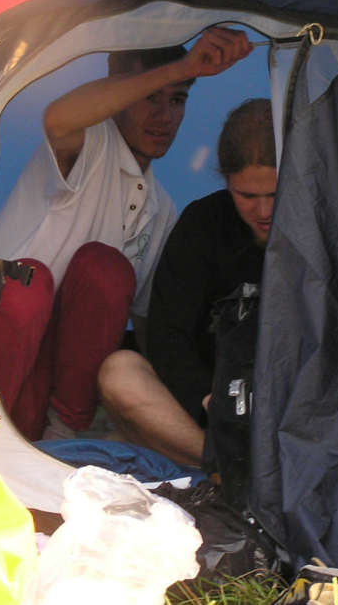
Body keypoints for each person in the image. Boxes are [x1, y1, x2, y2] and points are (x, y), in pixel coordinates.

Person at [0, 27, 253, 441]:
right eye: (151, 97)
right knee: (30, 284)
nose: (163, 117)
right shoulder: (89, 141)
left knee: (106, 272)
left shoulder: (161, 207)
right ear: (122, 91)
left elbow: (151, 328)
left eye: (178, 100)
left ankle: (64, 438)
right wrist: (180, 68)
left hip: (62, 383)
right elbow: (58, 117)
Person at [98, 98, 277, 466]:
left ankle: (249, 473)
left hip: (295, 416)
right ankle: (224, 470)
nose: (263, 212)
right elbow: (167, 335)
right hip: (212, 412)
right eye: (247, 196)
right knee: (119, 372)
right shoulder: (203, 224)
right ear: (226, 181)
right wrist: (207, 396)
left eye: (274, 195)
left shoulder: (324, 226)